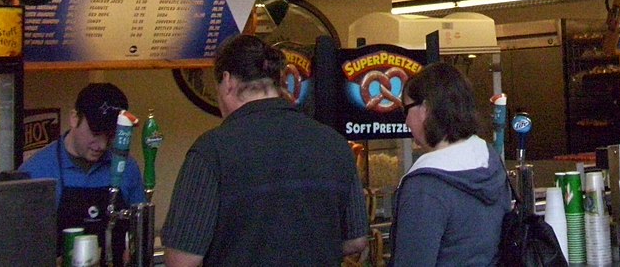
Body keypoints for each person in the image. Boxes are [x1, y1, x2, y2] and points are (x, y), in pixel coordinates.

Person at [161, 34, 368, 267]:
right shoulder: (334, 143)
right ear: (279, 81)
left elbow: (182, 259)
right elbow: (357, 239)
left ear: (227, 81)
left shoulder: (211, 151)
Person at [389, 62, 509, 267]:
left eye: (406, 109)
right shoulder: (490, 160)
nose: (406, 121)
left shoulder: (425, 187)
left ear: (425, 109)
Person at [20, 82, 147, 255]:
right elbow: (23, 247)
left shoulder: (127, 168)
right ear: (74, 118)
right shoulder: (37, 172)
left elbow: (140, 232)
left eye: (110, 135)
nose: (102, 145)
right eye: (95, 133)